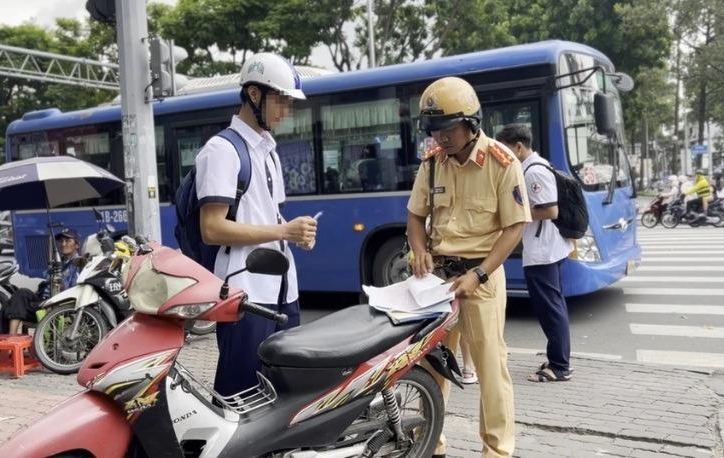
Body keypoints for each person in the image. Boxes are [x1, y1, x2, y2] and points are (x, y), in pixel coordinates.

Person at [406, 76, 531, 458]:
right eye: (434, 130)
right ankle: (431, 443)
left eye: (447, 128)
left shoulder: (501, 162)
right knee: (431, 368)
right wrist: (419, 249)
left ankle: (496, 450)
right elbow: (414, 218)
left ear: (471, 122)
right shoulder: (431, 165)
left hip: (482, 278)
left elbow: (515, 227)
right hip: (439, 281)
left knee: (491, 368)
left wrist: (478, 275)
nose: (440, 138)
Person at [195, 53, 318, 397]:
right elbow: (212, 228)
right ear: (253, 94)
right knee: (241, 391)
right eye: (280, 101)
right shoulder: (221, 150)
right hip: (243, 293)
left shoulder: (269, 151)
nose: (286, 111)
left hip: (281, 290)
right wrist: (283, 231)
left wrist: (295, 231)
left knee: (280, 388)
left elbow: (269, 215)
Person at [496, 124, 573, 383]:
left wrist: (516, 214)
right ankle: (557, 358)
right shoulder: (531, 167)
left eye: (506, 149)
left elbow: (550, 211)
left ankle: (559, 367)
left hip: (543, 251)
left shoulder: (533, 172)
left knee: (550, 309)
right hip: (546, 248)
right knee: (554, 306)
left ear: (518, 146)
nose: (503, 155)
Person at [3, 227, 81, 334]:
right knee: (17, 297)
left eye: (68, 241)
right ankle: (10, 339)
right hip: (43, 300)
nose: (63, 244)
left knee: (17, 301)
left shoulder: (78, 263)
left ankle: (11, 337)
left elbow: (74, 289)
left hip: (57, 303)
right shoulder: (57, 263)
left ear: (76, 245)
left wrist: (60, 284)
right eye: (61, 241)